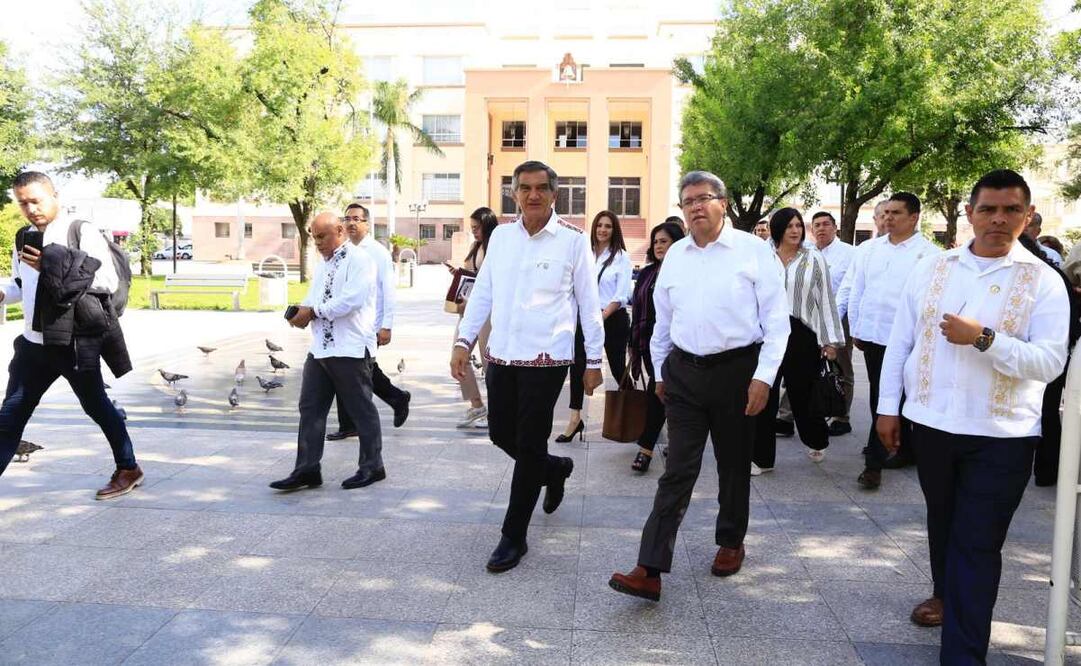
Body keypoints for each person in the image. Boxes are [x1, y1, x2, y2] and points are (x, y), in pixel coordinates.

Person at [876, 170, 1068, 663]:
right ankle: (948, 596)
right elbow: (901, 340)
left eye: (1010, 210)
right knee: (943, 525)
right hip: (933, 425)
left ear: (1027, 216)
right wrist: (887, 408)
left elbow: (1050, 363)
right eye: (988, 209)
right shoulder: (933, 268)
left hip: (1001, 436)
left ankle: (962, 653)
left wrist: (985, 339)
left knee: (977, 544)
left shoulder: (1044, 281)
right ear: (970, 214)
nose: (999, 220)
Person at [608, 171, 789, 601]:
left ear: (722, 203)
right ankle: (649, 568)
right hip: (684, 375)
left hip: (737, 373)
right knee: (678, 470)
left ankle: (730, 541)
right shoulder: (677, 257)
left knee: (732, 464)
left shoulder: (752, 252)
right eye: (687, 200)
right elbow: (662, 322)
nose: (695, 207)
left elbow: (778, 324)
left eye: (703, 198)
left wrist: (763, 378)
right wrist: (660, 372)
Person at [450, 160, 604, 573]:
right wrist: (464, 341)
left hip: (547, 359)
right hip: (501, 353)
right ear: (514, 194)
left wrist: (593, 361)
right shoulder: (500, 237)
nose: (532, 195)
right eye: (524, 188)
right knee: (501, 434)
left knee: (530, 443)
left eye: (541, 188)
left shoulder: (572, 241)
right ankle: (554, 469)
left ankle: (513, 536)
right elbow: (483, 292)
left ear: (554, 194)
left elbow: (590, 306)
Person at [0, 171, 141, 499]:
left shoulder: (80, 231)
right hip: (33, 345)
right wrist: (4, 293)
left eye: (36, 200)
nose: (31, 208)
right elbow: (22, 284)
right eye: (23, 203)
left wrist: (50, 265)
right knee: (9, 418)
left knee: (97, 406)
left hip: (73, 342)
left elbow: (105, 282)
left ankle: (129, 468)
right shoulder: (24, 237)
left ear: (54, 196)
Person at [270, 212, 384, 491]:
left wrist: (315, 311)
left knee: (360, 409)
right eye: (314, 237)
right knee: (310, 408)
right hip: (321, 347)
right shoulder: (323, 264)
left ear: (340, 232)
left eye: (323, 236)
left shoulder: (361, 260)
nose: (318, 242)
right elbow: (316, 297)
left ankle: (373, 466)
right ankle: (307, 469)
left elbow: (352, 300)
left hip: (351, 348)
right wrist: (302, 312)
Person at [846, 192, 940, 490]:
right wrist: (857, 329)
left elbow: (930, 303)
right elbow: (857, 290)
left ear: (914, 217)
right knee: (881, 397)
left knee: (893, 398)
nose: (888, 218)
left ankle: (878, 461)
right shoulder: (868, 250)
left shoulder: (930, 255)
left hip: (908, 341)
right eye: (886, 213)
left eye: (896, 213)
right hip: (874, 336)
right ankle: (890, 455)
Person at [752, 209, 844, 474]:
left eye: (798, 226)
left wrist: (830, 342)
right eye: (789, 226)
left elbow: (824, 298)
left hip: (801, 333)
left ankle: (816, 439)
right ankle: (761, 458)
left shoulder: (813, 257)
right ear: (778, 228)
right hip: (766, 333)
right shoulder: (762, 255)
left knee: (802, 394)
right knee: (763, 395)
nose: (795, 231)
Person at [326, 203, 410, 440]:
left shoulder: (377, 252)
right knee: (346, 368)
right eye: (348, 218)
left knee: (359, 370)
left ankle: (396, 397)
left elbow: (389, 291)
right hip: (346, 321)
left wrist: (386, 325)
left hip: (368, 324)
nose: (351, 223)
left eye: (357, 219)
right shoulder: (341, 251)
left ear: (367, 223)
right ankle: (350, 423)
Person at [559, 210, 632, 442]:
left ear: (614, 230)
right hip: (584, 320)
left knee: (618, 368)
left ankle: (630, 414)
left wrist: (600, 316)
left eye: (608, 226)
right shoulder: (585, 253)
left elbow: (621, 295)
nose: (603, 230)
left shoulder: (621, 257)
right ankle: (574, 419)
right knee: (577, 366)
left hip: (613, 320)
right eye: (599, 225)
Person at [1016, 233, 1081, 486]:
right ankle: (1048, 470)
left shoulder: (1047, 278)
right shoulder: (1055, 276)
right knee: (1048, 412)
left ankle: (1048, 469)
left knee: (1047, 411)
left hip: (1052, 354)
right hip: (1055, 351)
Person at [628, 220, 686, 472]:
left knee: (659, 392)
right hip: (648, 342)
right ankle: (677, 442)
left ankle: (646, 448)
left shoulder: (687, 272)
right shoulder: (647, 272)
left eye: (664, 241)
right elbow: (637, 308)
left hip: (678, 345)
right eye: (656, 242)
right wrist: (633, 345)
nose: (659, 245)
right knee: (667, 394)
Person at [448, 207, 498, 428]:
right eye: (472, 228)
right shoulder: (474, 246)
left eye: (477, 228)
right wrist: (458, 273)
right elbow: (471, 274)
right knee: (458, 356)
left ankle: (496, 409)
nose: (474, 232)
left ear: (487, 225)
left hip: (489, 311)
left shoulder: (497, 246)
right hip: (469, 309)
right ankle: (476, 405)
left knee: (489, 362)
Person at [810, 211, 856, 436]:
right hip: (809, 318)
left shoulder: (849, 253)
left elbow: (848, 290)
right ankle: (789, 415)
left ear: (835, 227)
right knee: (806, 365)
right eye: (816, 225)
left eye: (826, 224)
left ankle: (841, 415)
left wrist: (833, 322)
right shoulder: (806, 253)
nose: (821, 228)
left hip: (839, 317)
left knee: (840, 367)